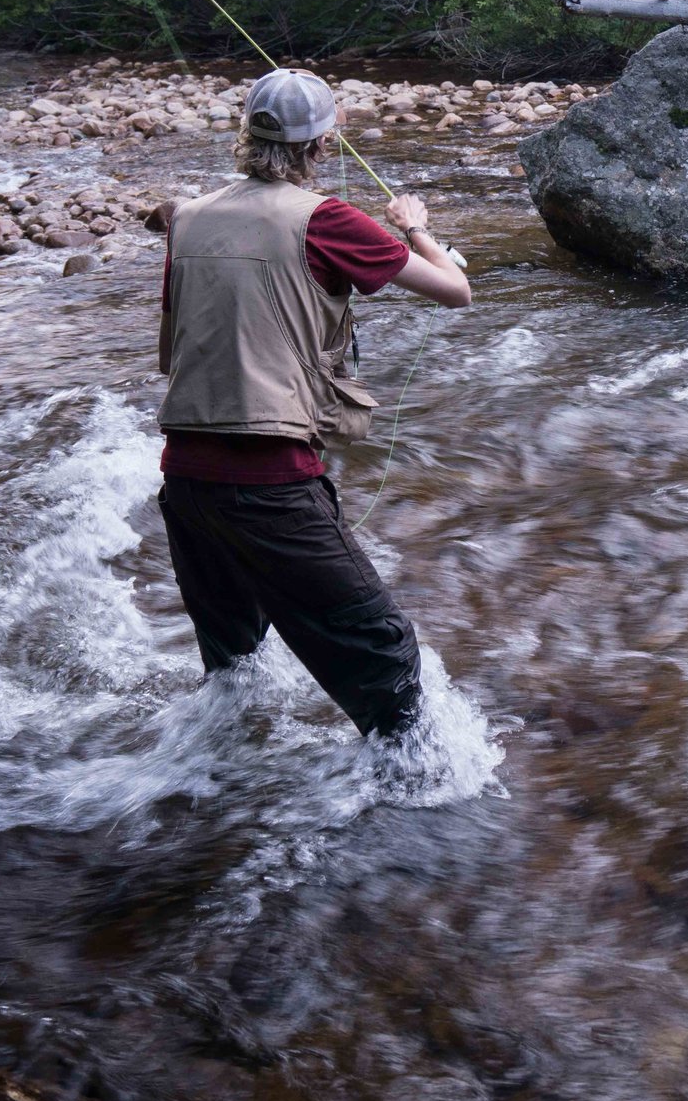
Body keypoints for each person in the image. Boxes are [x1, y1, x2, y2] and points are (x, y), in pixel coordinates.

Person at [154, 67, 472, 737]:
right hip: (269, 483)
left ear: (245, 136)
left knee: (233, 663)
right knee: (384, 650)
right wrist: (415, 228)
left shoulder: (185, 219)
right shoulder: (327, 220)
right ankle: (413, 802)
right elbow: (454, 290)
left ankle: (219, 787)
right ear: (321, 147)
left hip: (185, 481)